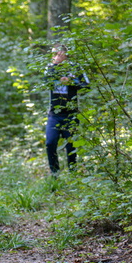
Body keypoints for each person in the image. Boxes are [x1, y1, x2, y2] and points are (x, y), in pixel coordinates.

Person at [44, 44, 89, 175]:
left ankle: (73, 174)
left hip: (71, 114)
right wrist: (55, 65)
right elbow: (46, 81)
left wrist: (71, 81)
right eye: (53, 54)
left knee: (71, 146)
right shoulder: (50, 67)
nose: (55, 56)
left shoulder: (75, 67)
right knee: (50, 142)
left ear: (65, 54)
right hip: (54, 114)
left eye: (58, 54)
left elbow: (86, 85)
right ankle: (55, 174)